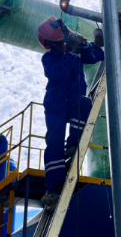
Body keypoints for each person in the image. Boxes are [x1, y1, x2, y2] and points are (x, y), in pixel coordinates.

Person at [37, 16, 105, 208]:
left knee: (84, 103)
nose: (63, 45)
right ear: (52, 45)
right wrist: (71, 51)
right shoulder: (49, 58)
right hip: (55, 106)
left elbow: (98, 56)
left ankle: (73, 144)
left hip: (73, 102)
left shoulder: (75, 52)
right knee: (54, 143)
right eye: (60, 43)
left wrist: (91, 44)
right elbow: (60, 72)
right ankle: (52, 189)